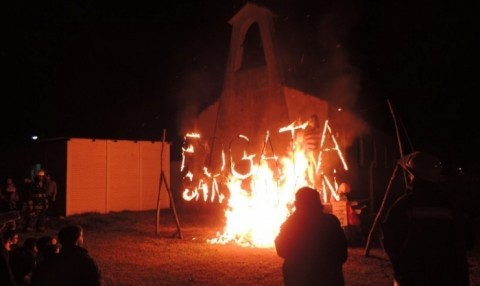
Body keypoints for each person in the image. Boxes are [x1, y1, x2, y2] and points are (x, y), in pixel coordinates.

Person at [381, 151, 470, 286]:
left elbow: (389, 240)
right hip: (450, 277)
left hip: (415, 277)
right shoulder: (452, 205)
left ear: (414, 176)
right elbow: (468, 239)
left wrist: (401, 267)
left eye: (410, 174)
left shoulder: (405, 205)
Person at [275, 186, 348, 286]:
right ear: (318, 202)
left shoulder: (290, 225)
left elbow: (281, 249)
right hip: (329, 279)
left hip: (299, 279)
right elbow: (342, 253)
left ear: (297, 204)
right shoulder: (331, 222)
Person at [31, 224, 102, 286]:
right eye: (81, 236)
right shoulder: (86, 262)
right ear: (77, 239)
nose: (82, 238)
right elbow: (96, 281)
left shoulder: (50, 261)